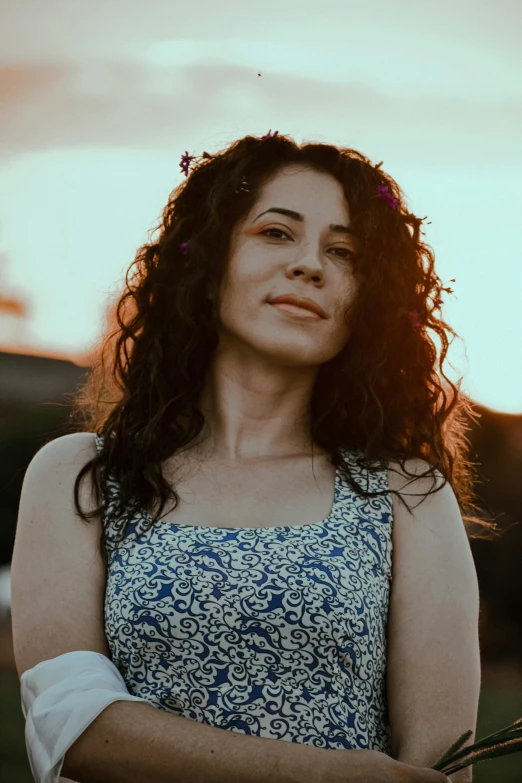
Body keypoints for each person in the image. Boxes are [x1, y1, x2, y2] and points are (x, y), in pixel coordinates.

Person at [11, 132, 497, 782]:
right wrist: (328, 775)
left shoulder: (404, 492)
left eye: (344, 252)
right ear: (207, 264)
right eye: (276, 233)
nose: (309, 265)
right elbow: (72, 728)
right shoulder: (83, 476)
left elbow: (439, 768)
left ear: (367, 302)